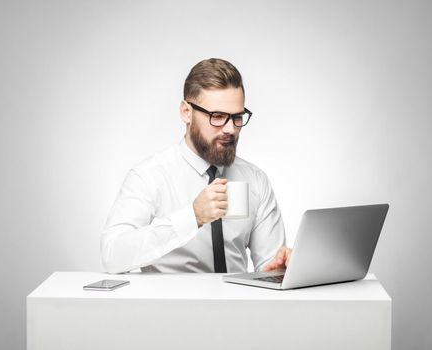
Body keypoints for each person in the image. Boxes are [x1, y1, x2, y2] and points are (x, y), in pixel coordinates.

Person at [101, 58, 291, 274]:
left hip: (238, 305)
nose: (230, 129)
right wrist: (192, 217)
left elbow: (270, 269)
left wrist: (281, 270)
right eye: (217, 116)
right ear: (186, 112)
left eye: (237, 117)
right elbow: (112, 255)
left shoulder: (255, 180)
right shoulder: (150, 176)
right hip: (170, 306)